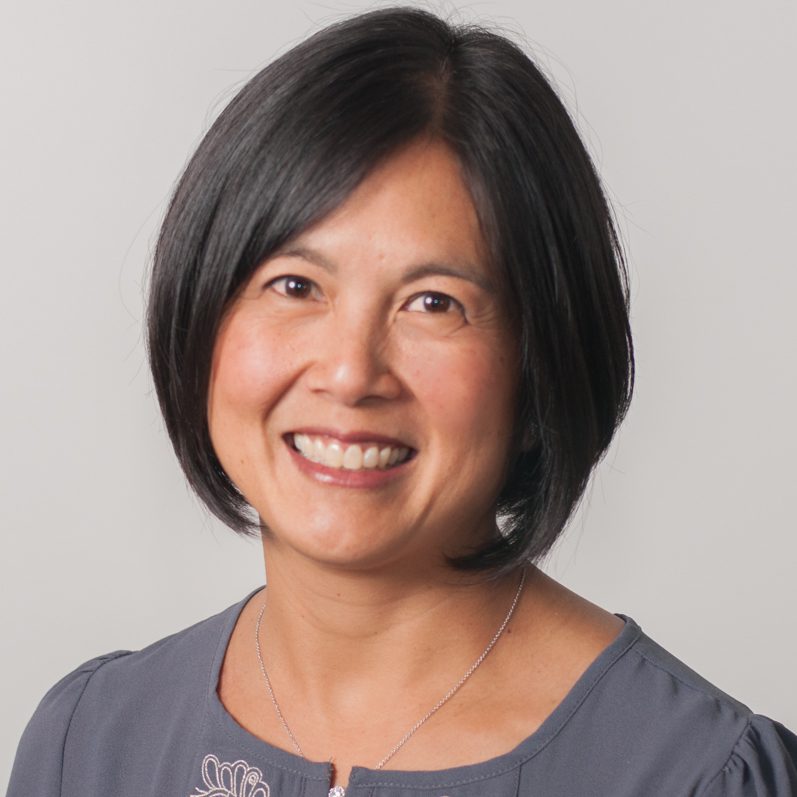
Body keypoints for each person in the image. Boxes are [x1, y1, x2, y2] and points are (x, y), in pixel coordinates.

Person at [7, 7, 796, 796]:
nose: (350, 373)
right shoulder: (93, 741)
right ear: (201, 313)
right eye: (294, 285)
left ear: (539, 359)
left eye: (432, 303)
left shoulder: (693, 774)